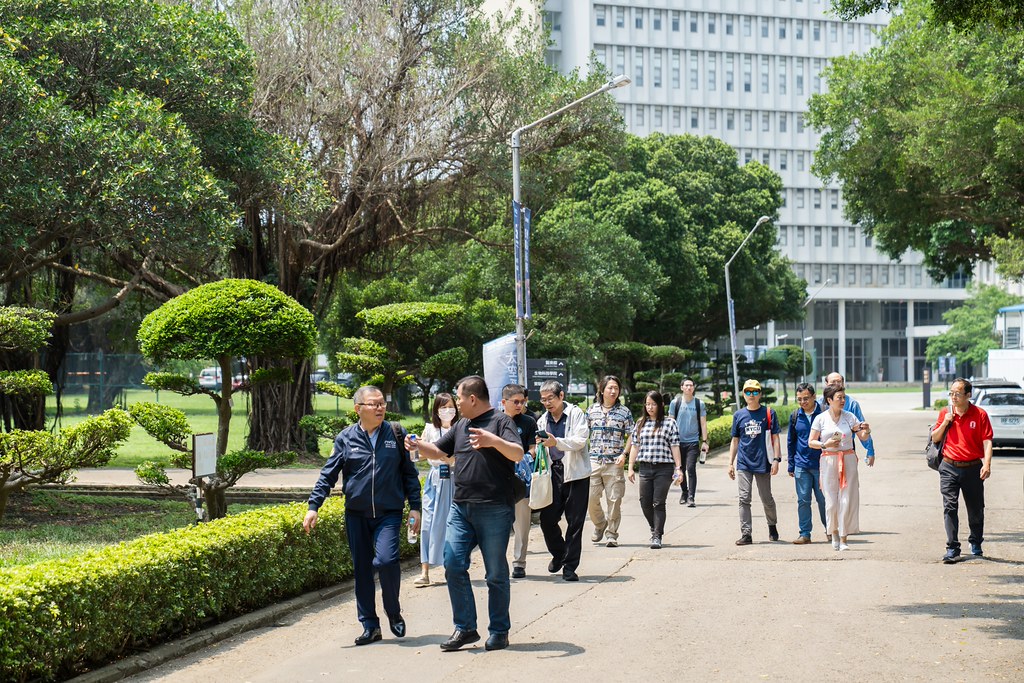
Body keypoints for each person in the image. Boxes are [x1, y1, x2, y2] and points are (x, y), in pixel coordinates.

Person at [408, 375, 524, 652]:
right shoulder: (461, 425)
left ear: (472, 398)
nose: (456, 404)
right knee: (453, 564)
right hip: (460, 508)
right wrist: (416, 446)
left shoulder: (500, 422)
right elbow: (438, 450)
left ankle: (499, 631)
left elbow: (518, 453)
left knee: (495, 573)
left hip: (494, 508)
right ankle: (466, 628)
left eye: (458, 398)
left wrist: (492, 440)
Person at [303, 386, 421, 646]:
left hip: (388, 513)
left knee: (387, 561)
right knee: (362, 570)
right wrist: (314, 506)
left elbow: (410, 474)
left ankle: (393, 612)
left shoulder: (395, 433)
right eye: (373, 404)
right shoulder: (345, 438)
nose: (380, 408)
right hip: (356, 514)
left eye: (382, 403)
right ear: (358, 409)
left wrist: (415, 506)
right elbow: (328, 474)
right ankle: (370, 625)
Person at [930, 378, 993, 564]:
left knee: (975, 509)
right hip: (949, 466)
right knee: (950, 507)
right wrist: (945, 423)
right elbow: (935, 438)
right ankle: (952, 548)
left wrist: (987, 464)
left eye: (957, 393)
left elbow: (987, 441)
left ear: (968, 395)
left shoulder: (980, 414)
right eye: (951, 393)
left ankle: (975, 542)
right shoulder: (945, 413)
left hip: (973, 467)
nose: (953, 397)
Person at [536, 380, 591, 582]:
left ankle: (570, 567)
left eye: (550, 398)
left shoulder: (576, 414)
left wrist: (555, 442)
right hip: (553, 474)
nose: (547, 403)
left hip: (576, 475)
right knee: (547, 520)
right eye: (543, 399)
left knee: (575, 522)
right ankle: (559, 554)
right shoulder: (542, 420)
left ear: (561, 396)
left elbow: (579, 441)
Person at [808, 383, 872, 551]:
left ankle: (844, 538)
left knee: (846, 499)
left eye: (844, 397)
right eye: (839, 398)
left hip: (848, 459)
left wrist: (867, 431)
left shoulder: (850, 417)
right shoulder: (820, 418)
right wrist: (825, 444)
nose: (843, 400)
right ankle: (834, 532)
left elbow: (862, 437)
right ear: (829, 400)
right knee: (831, 502)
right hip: (829, 460)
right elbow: (811, 442)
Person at [727, 379, 781, 545]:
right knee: (744, 498)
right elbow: (735, 440)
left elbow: (775, 438)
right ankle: (746, 534)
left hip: (763, 462)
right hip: (744, 463)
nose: (751, 395)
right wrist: (731, 463)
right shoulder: (739, 415)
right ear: (743, 394)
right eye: (748, 392)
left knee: (766, 498)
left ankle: (772, 525)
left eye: (755, 392)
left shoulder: (768, 413)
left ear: (760, 394)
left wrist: (776, 459)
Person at [626, 390, 683, 549]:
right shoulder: (640, 423)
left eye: (653, 404)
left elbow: (675, 446)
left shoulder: (670, 423)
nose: (650, 407)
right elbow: (635, 446)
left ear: (660, 405)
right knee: (645, 502)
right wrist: (630, 467)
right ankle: (655, 527)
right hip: (645, 468)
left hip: (664, 468)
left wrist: (678, 468)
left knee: (658, 502)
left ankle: (657, 536)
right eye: (647, 404)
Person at [413, 393, 458, 587]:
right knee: (428, 523)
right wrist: (414, 447)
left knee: (453, 524)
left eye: (450, 406)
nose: (447, 411)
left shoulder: (460, 428)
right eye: (443, 407)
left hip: (455, 479)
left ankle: (452, 568)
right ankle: (424, 571)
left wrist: (449, 459)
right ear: (436, 410)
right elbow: (417, 456)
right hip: (435, 479)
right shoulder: (430, 429)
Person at [587, 375, 633, 547]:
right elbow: (584, 435)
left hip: (615, 463)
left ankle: (612, 534)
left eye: (616, 388)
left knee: (614, 500)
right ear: (602, 389)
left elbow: (633, 436)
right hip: (593, 461)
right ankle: (600, 524)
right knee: (590, 498)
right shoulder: (591, 411)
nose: (613, 391)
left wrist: (625, 454)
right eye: (610, 388)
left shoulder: (624, 412)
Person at [501, 383, 537, 579]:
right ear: (504, 402)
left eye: (523, 401)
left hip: (521, 478)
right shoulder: (493, 420)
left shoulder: (529, 421)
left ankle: (519, 563)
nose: (520, 405)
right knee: (497, 523)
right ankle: (498, 562)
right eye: (516, 401)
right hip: (498, 479)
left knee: (522, 523)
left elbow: (533, 447)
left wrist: (524, 457)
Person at [787, 382, 827, 544]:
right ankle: (805, 534)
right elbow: (791, 441)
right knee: (803, 500)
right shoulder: (796, 416)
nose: (803, 402)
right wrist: (791, 465)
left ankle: (830, 529)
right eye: (799, 399)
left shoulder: (824, 413)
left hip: (822, 465)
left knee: (824, 500)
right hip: (801, 465)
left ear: (814, 397)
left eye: (806, 398)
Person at [667, 377, 708, 507]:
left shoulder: (699, 403)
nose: (689, 387)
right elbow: (670, 422)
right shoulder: (675, 403)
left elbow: (703, 423)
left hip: (693, 442)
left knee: (691, 468)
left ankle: (691, 497)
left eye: (691, 385)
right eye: (686, 385)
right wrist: (667, 440)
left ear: (693, 388)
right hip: (677, 442)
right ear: (682, 387)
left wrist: (705, 441)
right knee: (681, 469)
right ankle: (684, 492)